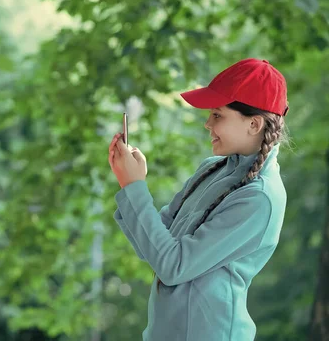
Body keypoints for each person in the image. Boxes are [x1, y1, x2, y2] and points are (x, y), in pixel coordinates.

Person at [108, 58, 289, 341]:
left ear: (253, 124)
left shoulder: (260, 198)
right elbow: (154, 248)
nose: (207, 124)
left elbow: (173, 267)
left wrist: (134, 187)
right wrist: (130, 181)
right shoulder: (210, 169)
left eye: (218, 115)